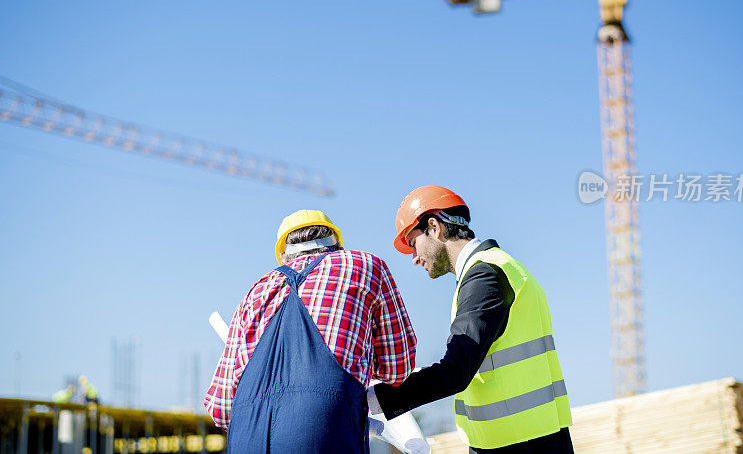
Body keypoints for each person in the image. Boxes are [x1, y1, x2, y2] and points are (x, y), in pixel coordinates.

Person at [368, 186, 573, 453]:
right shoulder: (497, 268)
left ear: (434, 227)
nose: (415, 258)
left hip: (519, 443)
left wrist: (374, 401)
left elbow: (455, 371)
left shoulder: (484, 276)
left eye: (413, 243)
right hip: (528, 437)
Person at [204, 209, 416, 453]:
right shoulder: (365, 266)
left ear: (283, 254)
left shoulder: (255, 292)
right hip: (324, 434)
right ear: (336, 244)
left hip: (247, 440)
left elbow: (220, 409)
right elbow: (397, 369)